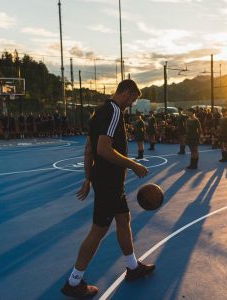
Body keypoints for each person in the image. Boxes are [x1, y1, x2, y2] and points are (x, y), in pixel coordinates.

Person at [61, 79, 154, 299]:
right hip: (110, 182)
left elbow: (88, 150)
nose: (131, 104)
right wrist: (133, 164)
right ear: (126, 93)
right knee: (98, 230)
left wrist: (88, 178)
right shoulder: (114, 112)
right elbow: (103, 149)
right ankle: (74, 281)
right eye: (132, 99)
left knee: (123, 220)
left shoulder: (98, 113)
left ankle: (132, 267)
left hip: (106, 181)